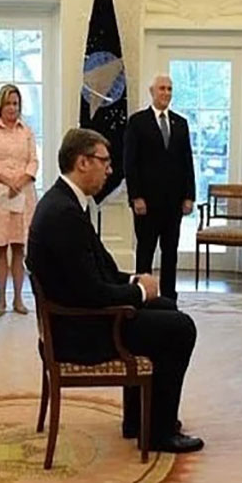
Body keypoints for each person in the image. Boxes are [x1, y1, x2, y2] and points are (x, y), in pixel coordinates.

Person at [27, 128, 204, 454]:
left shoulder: (66, 202)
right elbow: (92, 292)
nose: (110, 170)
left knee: (165, 307)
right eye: (104, 161)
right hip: (78, 332)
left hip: (78, 317)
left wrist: (135, 281)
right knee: (180, 328)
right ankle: (159, 432)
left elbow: (99, 272)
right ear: (82, 162)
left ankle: (140, 420)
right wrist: (139, 293)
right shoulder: (64, 213)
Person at [123, 73, 196, 301]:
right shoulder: (137, 122)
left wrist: (189, 196)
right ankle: (143, 295)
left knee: (170, 251)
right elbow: (129, 163)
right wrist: (136, 196)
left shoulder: (180, 123)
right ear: (152, 92)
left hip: (174, 202)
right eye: (162, 88)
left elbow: (187, 161)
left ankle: (169, 297)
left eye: (169, 89)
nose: (166, 93)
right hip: (146, 202)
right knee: (145, 251)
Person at [0, 84, 38, 316]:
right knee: (0, 248)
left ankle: (19, 299)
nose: (12, 108)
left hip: (22, 192)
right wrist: (4, 179)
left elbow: (34, 161)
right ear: (0, 106)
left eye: (15, 103)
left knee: (19, 248)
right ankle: (1, 300)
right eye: (8, 103)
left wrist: (21, 180)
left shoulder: (26, 131)